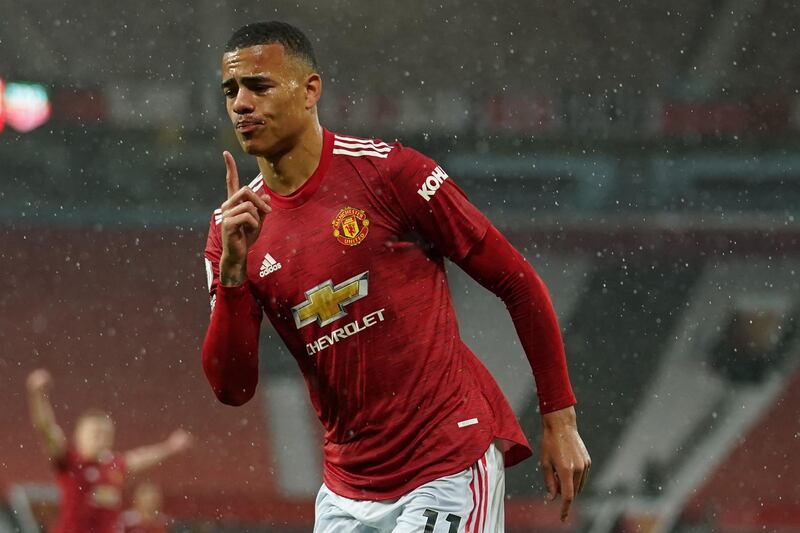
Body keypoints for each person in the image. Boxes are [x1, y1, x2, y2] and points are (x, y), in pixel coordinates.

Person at [202, 21, 590, 532]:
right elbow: (232, 389)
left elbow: (516, 281)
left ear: (310, 89)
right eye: (231, 91)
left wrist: (559, 419)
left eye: (259, 86)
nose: (241, 104)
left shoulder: (390, 174)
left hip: (445, 464)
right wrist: (232, 274)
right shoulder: (232, 231)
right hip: (346, 490)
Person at [26, 369, 192, 533]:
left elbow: (139, 457)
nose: (102, 438)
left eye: (106, 434)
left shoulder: (113, 464)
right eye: (96, 433)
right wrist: (38, 396)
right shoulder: (69, 460)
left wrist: (170, 447)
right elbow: (46, 429)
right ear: (79, 436)